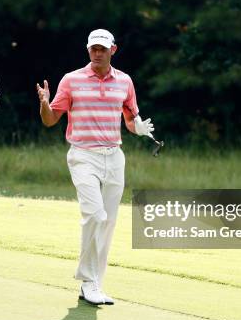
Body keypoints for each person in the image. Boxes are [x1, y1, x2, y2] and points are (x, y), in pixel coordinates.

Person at [36, 29, 155, 305]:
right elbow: (51, 119)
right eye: (93, 49)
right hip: (83, 155)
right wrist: (44, 103)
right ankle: (88, 281)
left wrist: (136, 127)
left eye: (103, 49)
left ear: (113, 49)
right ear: (88, 50)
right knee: (95, 215)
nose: (98, 53)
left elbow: (129, 117)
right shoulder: (72, 80)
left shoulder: (124, 81)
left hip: (114, 157)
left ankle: (95, 284)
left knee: (108, 223)